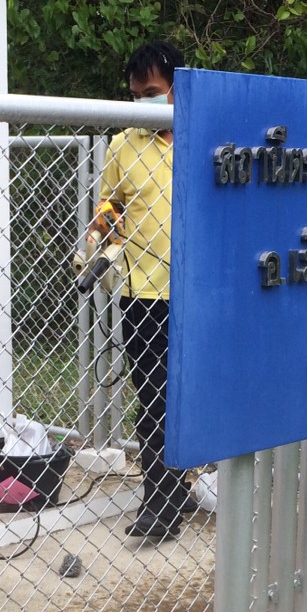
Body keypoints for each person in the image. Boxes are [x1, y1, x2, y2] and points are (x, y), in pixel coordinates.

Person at [95, 40, 193, 541]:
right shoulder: (123, 145)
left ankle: (179, 486)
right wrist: (104, 227)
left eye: (151, 92)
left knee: (190, 398)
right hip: (143, 297)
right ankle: (161, 501)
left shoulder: (206, 135)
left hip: (198, 296)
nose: (142, 104)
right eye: (135, 95)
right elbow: (107, 206)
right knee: (153, 397)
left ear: (178, 88)